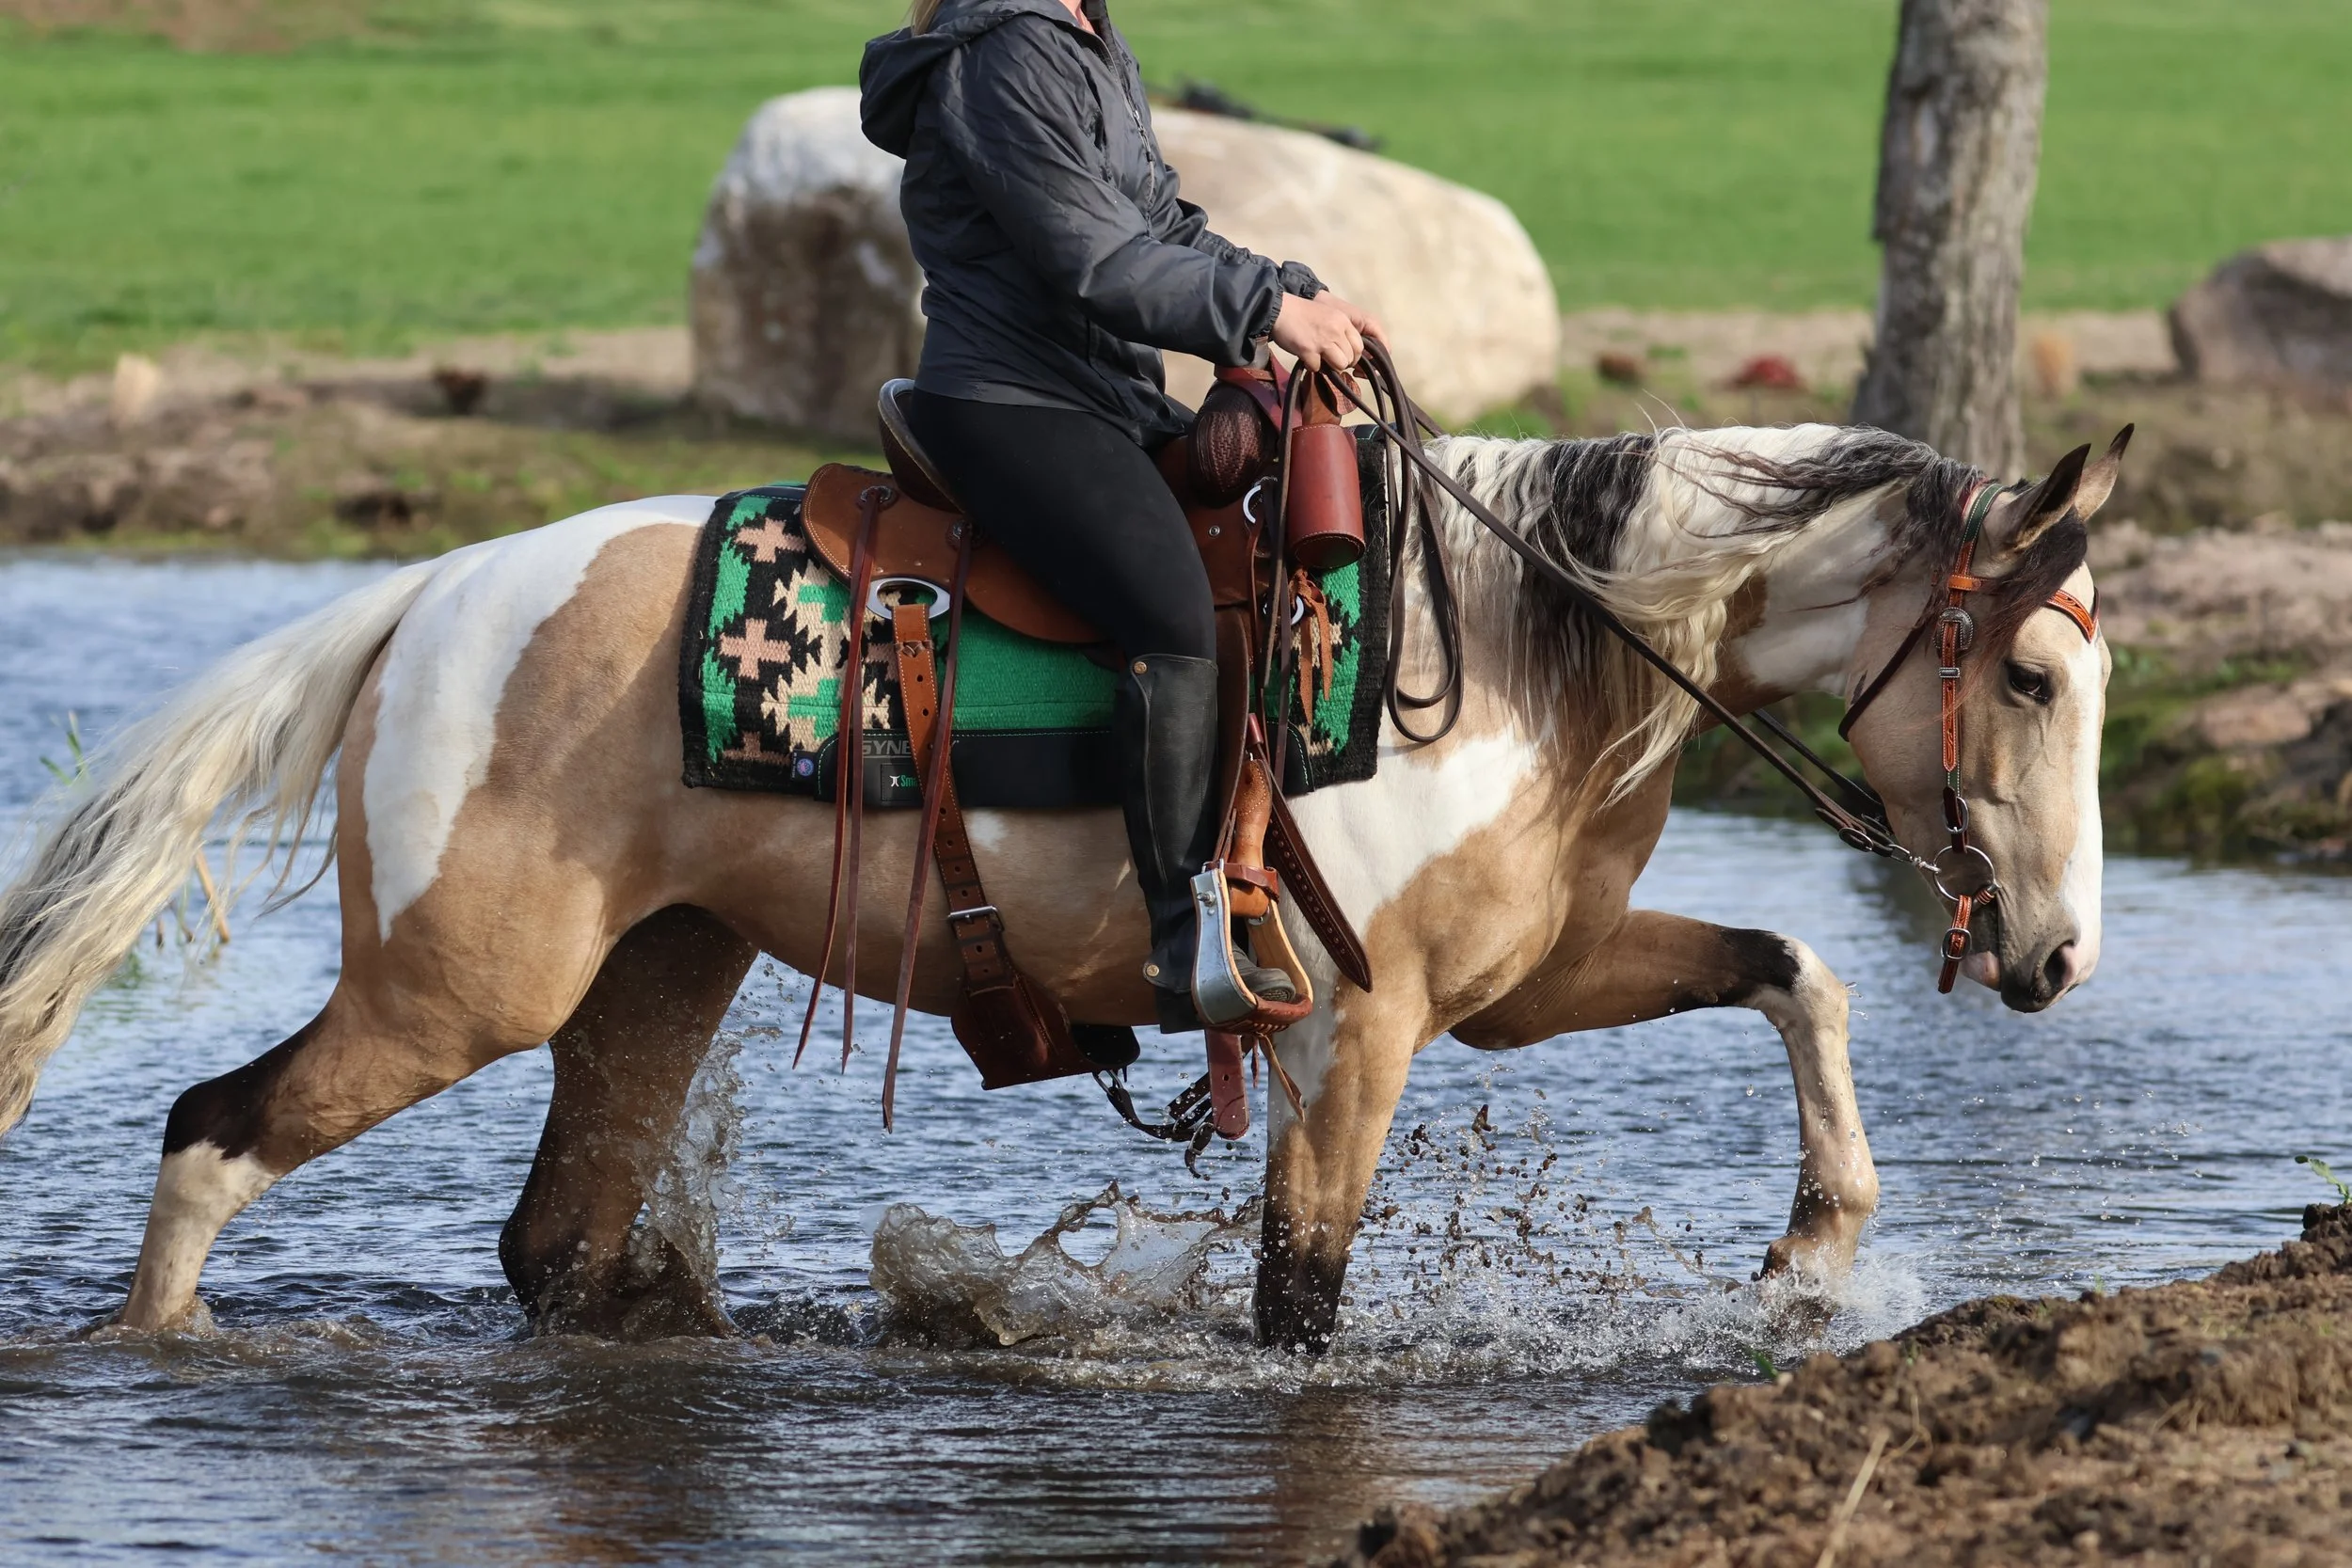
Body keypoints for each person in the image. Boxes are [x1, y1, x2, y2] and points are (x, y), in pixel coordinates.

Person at [861, 0, 1382, 1043]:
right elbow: (1093, 257)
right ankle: (1187, 932)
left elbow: (1159, 223)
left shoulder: (1084, 32)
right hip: (1015, 403)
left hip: (1103, 400)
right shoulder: (1006, 51)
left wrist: (1282, 285)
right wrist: (1263, 317)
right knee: (1173, 613)